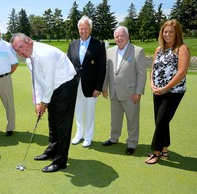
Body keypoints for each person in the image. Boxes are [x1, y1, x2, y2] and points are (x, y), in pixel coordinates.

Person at [10, 33, 78, 173]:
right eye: (17, 50)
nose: (21, 51)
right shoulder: (29, 59)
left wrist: (44, 103)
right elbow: (36, 82)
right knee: (52, 122)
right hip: (53, 88)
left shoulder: (44, 54)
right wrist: (38, 102)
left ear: (29, 41)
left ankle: (60, 162)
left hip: (65, 86)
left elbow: (48, 82)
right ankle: (52, 152)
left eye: (21, 46)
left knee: (62, 125)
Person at [145, 19, 190, 164]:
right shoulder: (159, 49)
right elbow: (153, 69)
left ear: (177, 33)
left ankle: (156, 152)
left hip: (174, 91)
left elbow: (181, 72)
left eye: (171, 32)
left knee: (161, 120)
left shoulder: (182, 48)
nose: (168, 34)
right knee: (161, 121)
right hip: (158, 91)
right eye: (165, 31)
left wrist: (165, 88)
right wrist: (152, 84)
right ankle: (164, 149)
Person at [102, 26, 147, 155]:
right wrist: (104, 87)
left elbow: (141, 74)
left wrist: (138, 92)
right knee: (115, 117)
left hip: (130, 93)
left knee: (132, 119)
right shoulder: (109, 51)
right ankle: (114, 138)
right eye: (117, 36)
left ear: (127, 37)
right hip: (114, 91)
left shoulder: (137, 51)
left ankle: (132, 143)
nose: (119, 38)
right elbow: (107, 71)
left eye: (122, 35)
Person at [67, 16, 106, 148]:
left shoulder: (98, 44)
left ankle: (88, 136)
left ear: (90, 29)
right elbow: (69, 65)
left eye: (86, 28)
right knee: (77, 110)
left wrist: (98, 87)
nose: (83, 31)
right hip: (75, 84)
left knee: (89, 111)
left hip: (91, 86)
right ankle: (79, 134)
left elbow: (101, 68)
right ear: (78, 30)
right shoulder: (72, 45)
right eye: (81, 28)